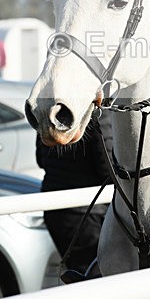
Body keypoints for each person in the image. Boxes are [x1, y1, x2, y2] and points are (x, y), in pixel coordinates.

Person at [36, 114, 113, 283]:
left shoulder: (49, 112)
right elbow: (107, 168)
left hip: (54, 207)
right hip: (87, 212)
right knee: (96, 280)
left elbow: (40, 159)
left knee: (79, 275)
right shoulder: (98, 114)